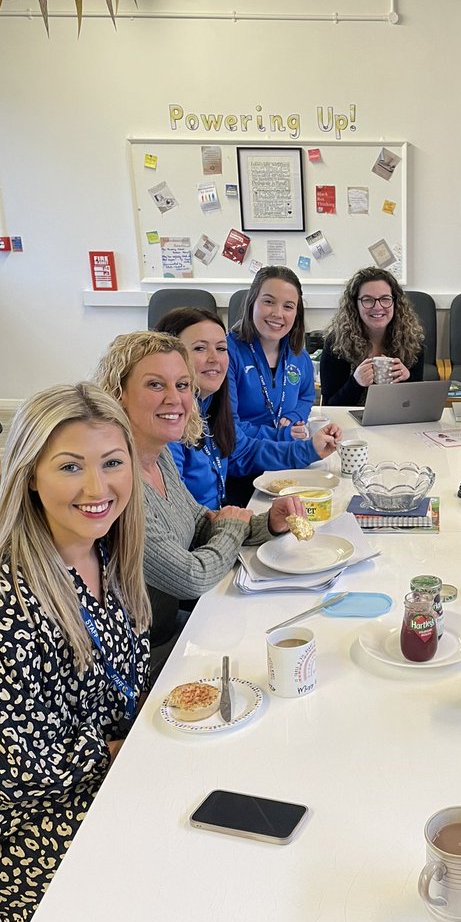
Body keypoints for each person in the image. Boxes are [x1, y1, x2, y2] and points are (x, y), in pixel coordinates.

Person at [0, 383, 150, 922]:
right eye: (71, 467)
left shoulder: (103, 550)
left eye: (112, 463)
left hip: (105, 774)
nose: (98, 489)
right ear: (29, 475)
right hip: (21, 830)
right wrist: (117, 748)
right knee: (189, 865)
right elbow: (20, 776)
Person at [94, 332, 303, 671]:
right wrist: (233, 527)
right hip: (143, 657)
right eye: (155, 385)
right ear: (118, 394)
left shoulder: (156, 457)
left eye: (181, 385)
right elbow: (191, 578)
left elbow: (200, 524)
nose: (175, 399)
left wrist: (267, 523)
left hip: (170, 628)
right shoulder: (119, 483)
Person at [155, 308, 341, 509]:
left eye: (221, 348)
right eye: (200, 348)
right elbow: (178, 516)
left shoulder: (210, 408)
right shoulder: (168, 425)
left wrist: (310, 449)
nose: (214, 358)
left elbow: (243, 453)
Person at [226, 266, 315, 439]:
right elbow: (229, 426)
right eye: (269, 302)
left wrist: (294, 417)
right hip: (243, 456)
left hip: (283, 451)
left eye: (288, 306)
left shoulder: (299, 356)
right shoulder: (227, 353)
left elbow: (307, 396)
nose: (278, 314)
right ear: (252, 303)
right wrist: (279, 435)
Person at [319, 267, 425, 406]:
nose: (378, 307)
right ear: (355, 305)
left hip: (395, 423)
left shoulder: (412, 343)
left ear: (395, 302)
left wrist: (407, 381)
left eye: (385, 299)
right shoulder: (336, 345)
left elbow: (415, 407)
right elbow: (329, 406)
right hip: (349, 424)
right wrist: (355, 382)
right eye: (368, 300)